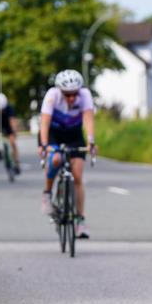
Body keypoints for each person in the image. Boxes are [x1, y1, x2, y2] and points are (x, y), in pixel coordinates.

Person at [37, 70, 97, 238]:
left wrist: (91, 142)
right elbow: (45, 122)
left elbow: (88, 120)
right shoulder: (52, 95)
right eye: (67, 94)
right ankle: (47, 194)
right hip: (53, 133)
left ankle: (79, 220)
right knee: (55, 159)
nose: (71, 98)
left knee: (77, 176)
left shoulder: (85, 95)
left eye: (74, 94)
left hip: (73, 135)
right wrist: (43, 144)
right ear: (60, 91)